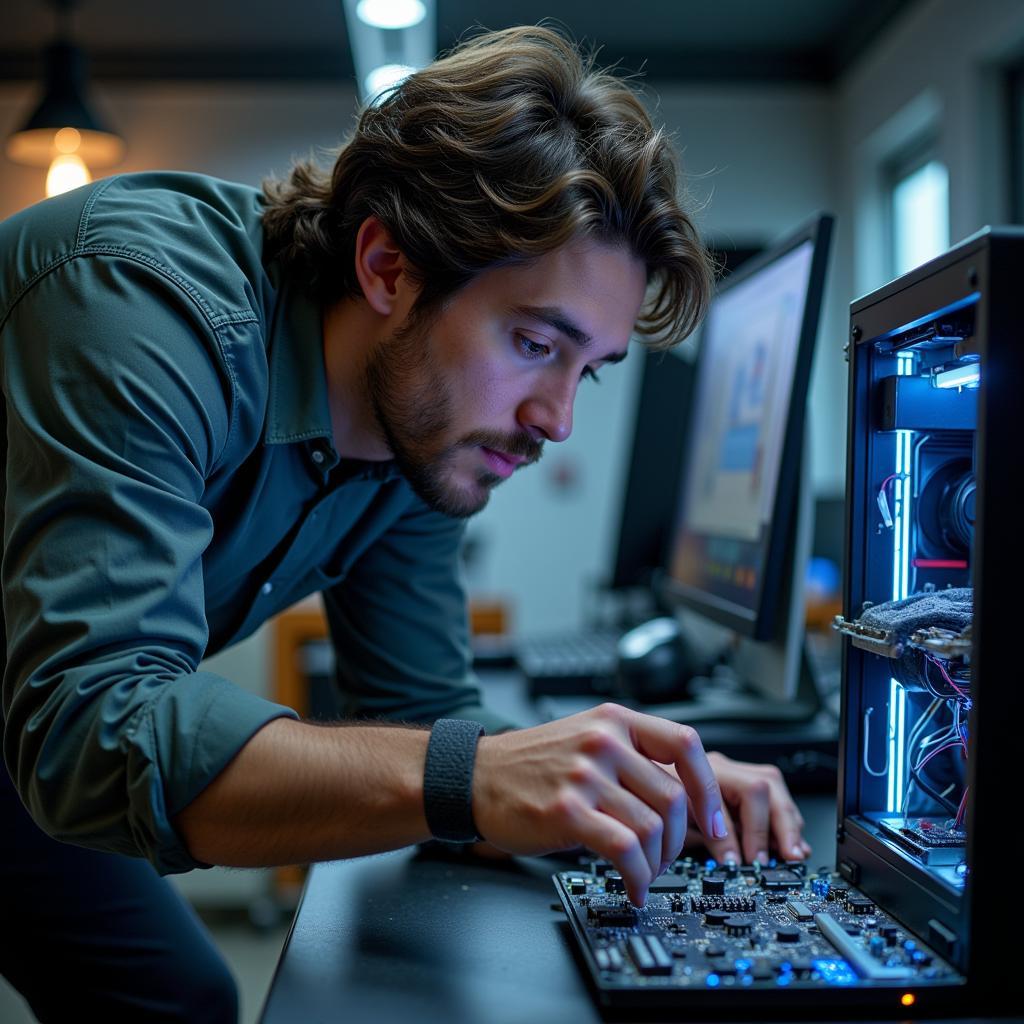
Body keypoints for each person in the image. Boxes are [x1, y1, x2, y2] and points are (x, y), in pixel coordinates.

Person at [1, 25, 809, 1023]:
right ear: (388, 267)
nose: (556, 418)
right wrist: (474, 772)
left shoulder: (416, 440)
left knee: (173, 996)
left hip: (22, 719)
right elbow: (89, 732)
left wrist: (640, 795)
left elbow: (431, 726)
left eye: (585, 369)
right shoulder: (141, 306)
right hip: (46, 721)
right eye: (531, 342)